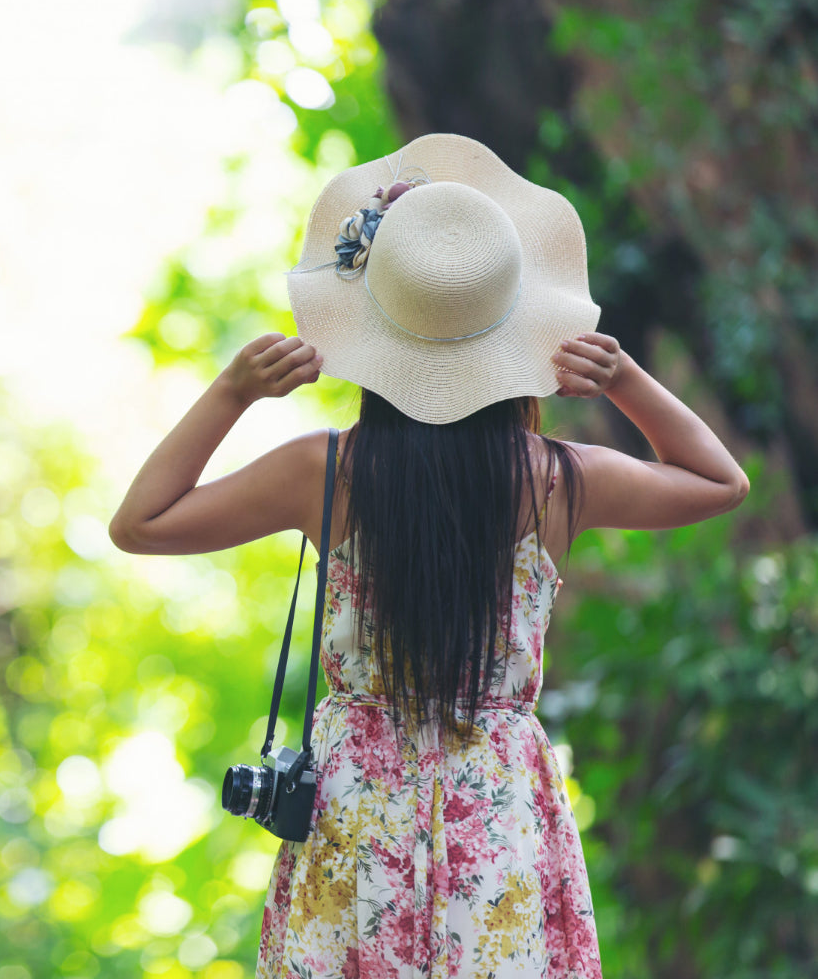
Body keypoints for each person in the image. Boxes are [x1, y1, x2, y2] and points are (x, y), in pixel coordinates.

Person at [108, 133, 748, 979]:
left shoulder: (325, 473)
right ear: (514, 334)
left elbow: (141, 523)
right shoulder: (556, 482)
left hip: (355, 819)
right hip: (502, 815)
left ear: (375, 331)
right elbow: (718, 481)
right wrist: (625, 378)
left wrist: (233, 393)